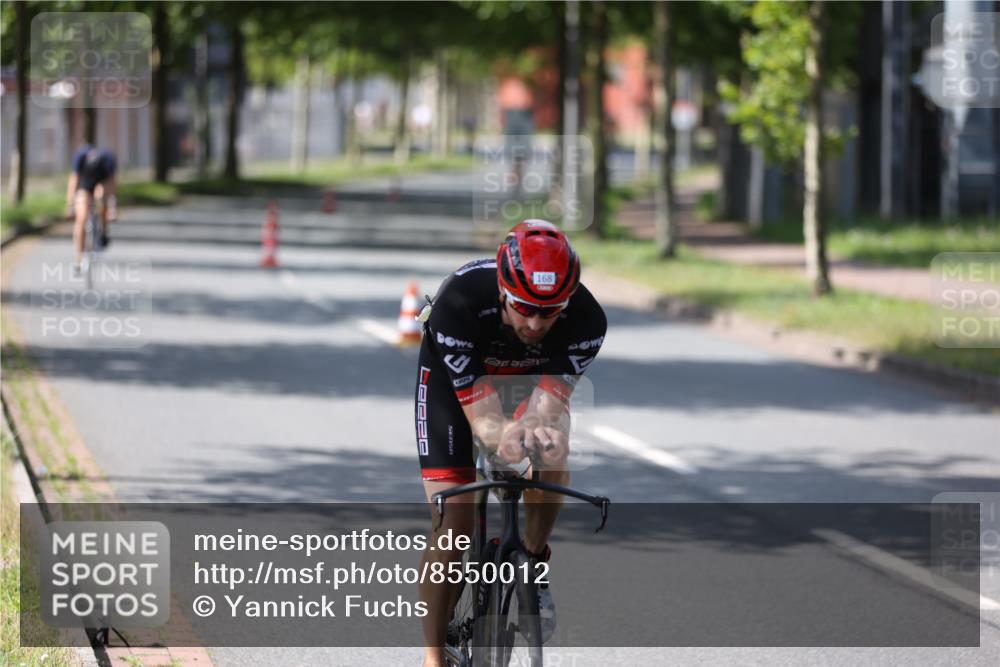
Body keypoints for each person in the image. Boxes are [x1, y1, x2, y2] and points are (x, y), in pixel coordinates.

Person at [414, 219, 607, 666]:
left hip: (527, 384)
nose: (537, 323)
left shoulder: (587, 319)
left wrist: (534, 431)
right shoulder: (458, 303)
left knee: (552, 446)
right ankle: (432, 655)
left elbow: (545, 406)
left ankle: (533, 564)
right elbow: (483, 423)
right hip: (456, 388)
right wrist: (503, 437)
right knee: (454, 526)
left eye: (550, 310)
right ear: (502, 291)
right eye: (524, 308)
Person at [66, 144, 118, 273]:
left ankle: (103, 231)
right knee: (81, 217)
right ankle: (78, 258)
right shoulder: (81, 157)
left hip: (102, 182)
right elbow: (74, 179)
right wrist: (71, 204)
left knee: (101, 197)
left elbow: (111, 184)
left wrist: (112, 206)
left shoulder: (107, 160)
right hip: (85, 183)